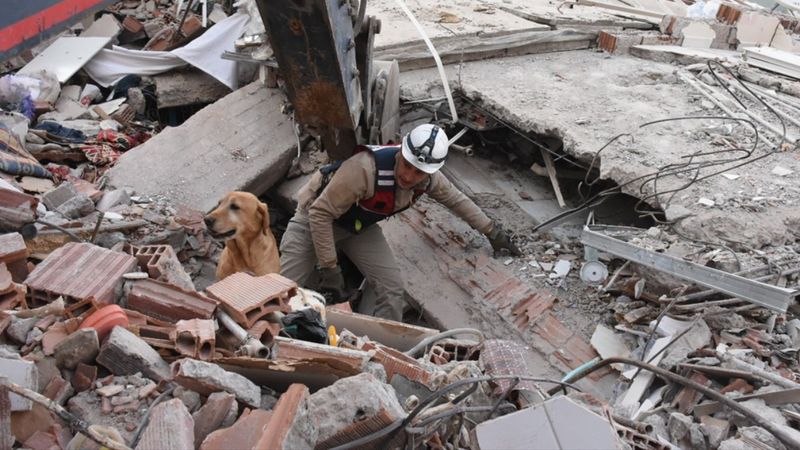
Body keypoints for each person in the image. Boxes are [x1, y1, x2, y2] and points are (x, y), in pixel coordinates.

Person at [279, 123, 520, 321]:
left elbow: (457, 200)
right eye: (406, 165)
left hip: (357, 228)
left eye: (418, 172)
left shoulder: (429, 180)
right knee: (279, 294)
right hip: (313, 223)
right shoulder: (364, 168)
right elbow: (320, 214)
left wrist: (492, 231)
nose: (408, 176)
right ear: (400, 153)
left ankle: (379, 353)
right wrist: (330, 269)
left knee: (392, 290)